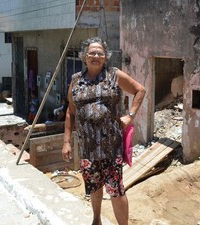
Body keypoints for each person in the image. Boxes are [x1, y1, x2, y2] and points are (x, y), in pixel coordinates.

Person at [62, 37, 146, 225]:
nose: (96, 56)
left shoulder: (114, 75)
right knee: (94, 185)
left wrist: (130, 115)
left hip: (111, 147)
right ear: (84, 56)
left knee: (115, 189)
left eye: (100, 53)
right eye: (92, 52)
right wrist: (67, 141)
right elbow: (71, 111)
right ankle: (96, 219)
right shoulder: (76, 80)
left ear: (105, 57)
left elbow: (140, 90)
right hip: (88, 147)